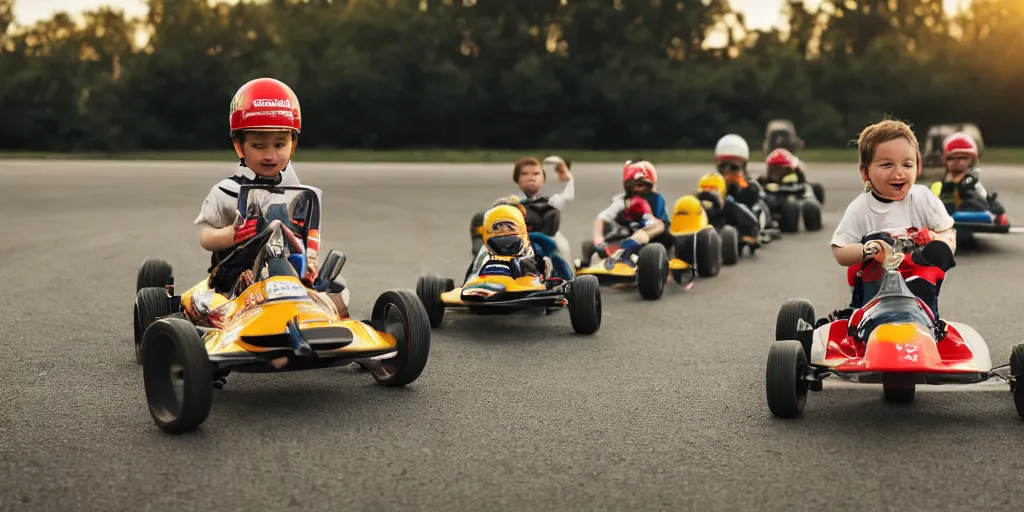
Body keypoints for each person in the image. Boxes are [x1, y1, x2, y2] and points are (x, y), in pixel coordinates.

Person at [191, 77, 349, 318]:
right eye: (258, 146)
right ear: (239, 146)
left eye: (279, 144)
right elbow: (205, 237)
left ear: (292, 144)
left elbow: (301, 234)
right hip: (237, 278)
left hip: (289, 275)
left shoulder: (295, 190)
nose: (270, 155)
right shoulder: (226, 190)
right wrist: (230, 235)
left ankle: (308, 314)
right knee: (208, 302)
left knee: (341, 290)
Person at [830, 118, 956, 325]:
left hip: (917, 271)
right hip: (878, 280)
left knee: (926, 277)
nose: (899, 172)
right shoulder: (861, 208)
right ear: (865, 172)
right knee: (875, 281)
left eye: (907, 164)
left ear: (918, 166)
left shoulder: (923, 198)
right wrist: (868, 248)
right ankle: (870, 326)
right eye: (887, 164)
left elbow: (947, 231)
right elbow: (840, 252)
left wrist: (939, 243)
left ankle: (926, 326)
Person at [591, 160, 670, 267]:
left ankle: (627, 253)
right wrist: (598, 239)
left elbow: (661, 222)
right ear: (629, 186)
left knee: (661, 228)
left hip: (653, 238)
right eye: (637, 185)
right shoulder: (623, 201)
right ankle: (619, 255)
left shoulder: (658, 200)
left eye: (644, 185)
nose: (641, 188)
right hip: (625, 233)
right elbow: (602, 217)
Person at [714, 134, 776, 240]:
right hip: (718, 217)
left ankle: (753, 230)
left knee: (759, 206)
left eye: (733, 167)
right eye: (723, 166)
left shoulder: (749, 184)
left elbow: (766, 200)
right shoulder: (713, 182)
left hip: (743, 218)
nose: (727, 170)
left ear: (743, 166)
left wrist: (738, 186)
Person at [934, 132, 1004, 215]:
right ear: (945, 160)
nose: (959, 162)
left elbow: (993, 211)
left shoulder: (975, 186)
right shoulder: (937, 187)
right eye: (952, 158)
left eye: (963, 157)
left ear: (972, 161)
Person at [480, 202, 545, 280]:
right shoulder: (484, 256)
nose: (505, 232)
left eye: (510, 228)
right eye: (499, 228)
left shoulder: (535, 253)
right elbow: (469, 282)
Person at [696, 172, 760, 247]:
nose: (707, 196)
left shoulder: (729, 206)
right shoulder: (693, 205)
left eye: (712, 191)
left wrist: (744, 236)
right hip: (697, 229)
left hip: (720, 232)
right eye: (705, 191)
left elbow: (752, 222)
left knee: (729, 231)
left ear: (723, 192)